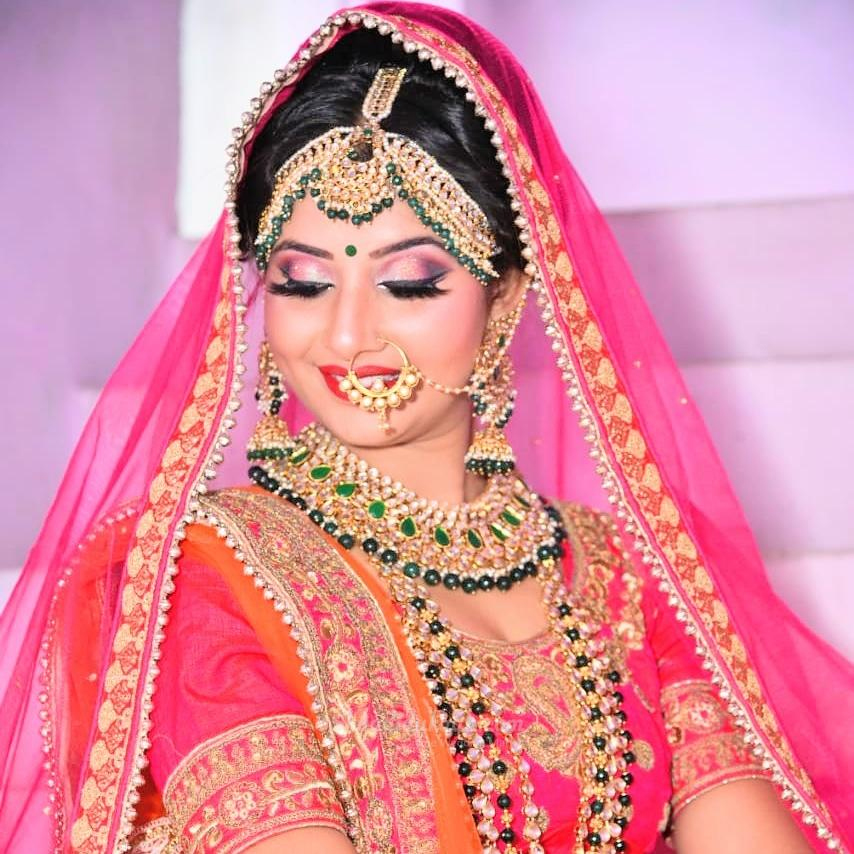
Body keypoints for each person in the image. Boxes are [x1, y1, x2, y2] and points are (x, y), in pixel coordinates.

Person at [1, 4, 851, 853]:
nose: (346, 336)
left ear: (505, 296)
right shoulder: (197, 579)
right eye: (302, 283)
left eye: (409, 283)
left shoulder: (629, 575)